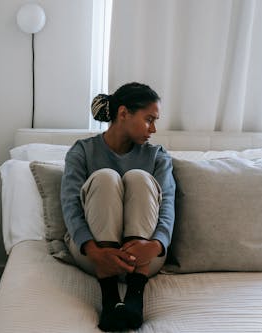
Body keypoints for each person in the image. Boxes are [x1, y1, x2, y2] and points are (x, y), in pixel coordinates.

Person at [60, 82, 176, 331]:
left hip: (146, 257)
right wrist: (93, 250)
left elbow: (167, 207)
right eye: (149, 119)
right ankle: (110, 297)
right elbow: (70, 206)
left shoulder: (157, 156)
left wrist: (155, 245)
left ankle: (134, 297)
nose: (153, 129)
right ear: (123, 113)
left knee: (138, 177)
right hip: (92, 253)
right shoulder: (82, 151)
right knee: (105, 177)